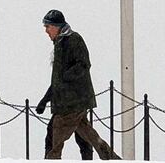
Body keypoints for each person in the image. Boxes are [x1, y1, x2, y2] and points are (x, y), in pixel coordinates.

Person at [37, 10, 120, 160]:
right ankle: (110, 157)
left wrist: (67, 77)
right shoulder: (59, 44)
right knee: (87, 133)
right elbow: (57, 81)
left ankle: (51, 160)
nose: (46, 31)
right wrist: (45, 99)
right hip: (68, 101)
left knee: (55, 133)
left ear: (57, 26)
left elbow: (83, 64)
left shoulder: (73, 39)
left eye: (48, 26)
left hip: (74, 101)